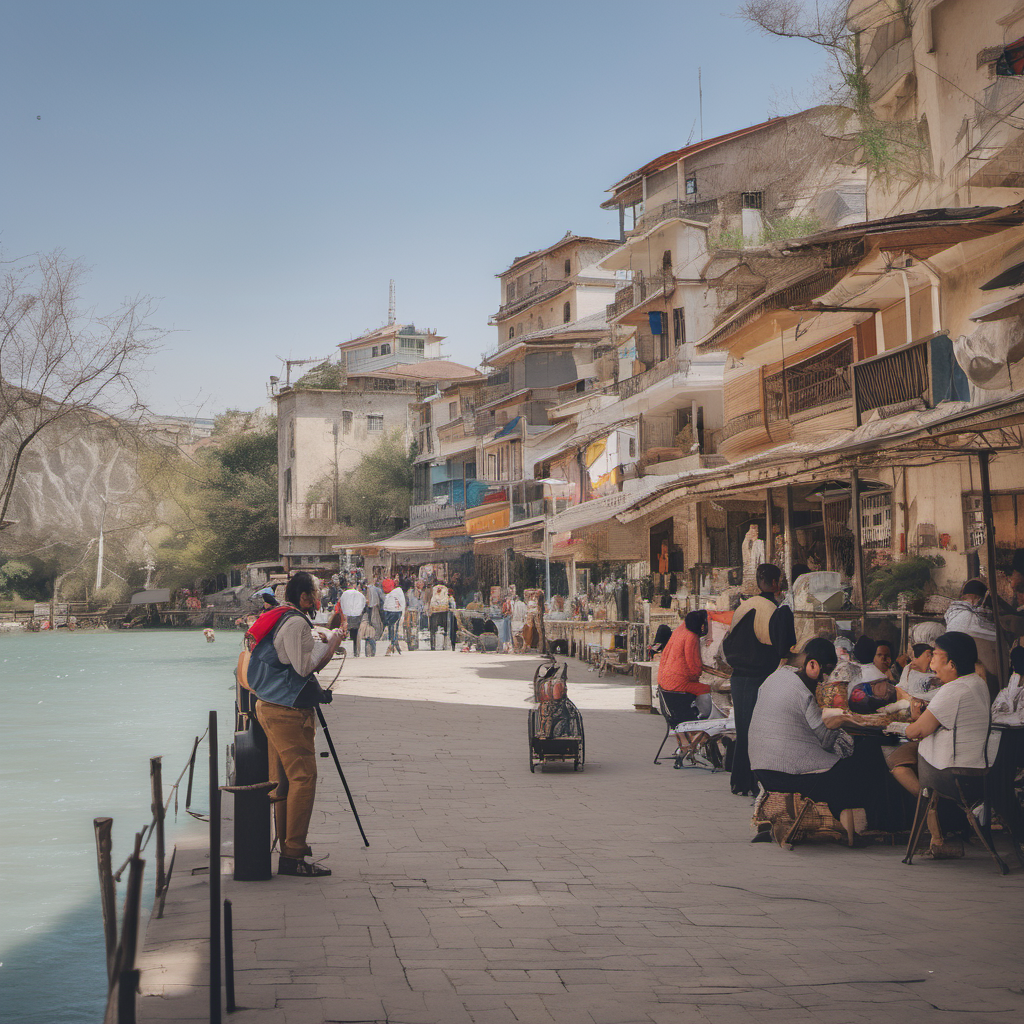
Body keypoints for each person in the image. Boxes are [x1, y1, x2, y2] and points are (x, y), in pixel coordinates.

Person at [246, 572, 344, 876]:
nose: (318, 597)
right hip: (286, 710)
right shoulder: (297, 622)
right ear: (304, 597)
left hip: (270, 704)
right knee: (303, 778)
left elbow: (291, 653)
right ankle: (293, 854)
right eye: (315, 593)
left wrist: (322, 636)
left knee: (283, 781)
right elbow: (303, 668)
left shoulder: (281, 614)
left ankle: (288, 847)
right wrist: (333, 643)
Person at [749, 638, 867, 847]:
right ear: (812, 664)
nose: (824, 679)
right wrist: (838, 721)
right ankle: (859, 828)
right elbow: (825, 740)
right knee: (857, 765)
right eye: (825, 671)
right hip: (789, 775)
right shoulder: (803, 692)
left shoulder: (774, 678)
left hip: (761, 771)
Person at [900, 630, 1000, 858]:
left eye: (935, 656)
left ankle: (934, 826)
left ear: (952, 664)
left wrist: (907, 723)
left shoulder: (953, 689)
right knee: (901, 756)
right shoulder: (977, 682)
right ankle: (938, 832)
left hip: (952, 772)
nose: (932, 664)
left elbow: (916, 730)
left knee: (896, 757)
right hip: (977, 766)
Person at [722, 563, 797, 797]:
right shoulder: (775, 610)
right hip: (759, 677)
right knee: (757, 731)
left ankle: (740, 781)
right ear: (775, 583)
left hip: (738, 678)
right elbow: (784, 648)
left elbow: (727, 643)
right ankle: (756, 783)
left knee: (744, 728)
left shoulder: (744, 607)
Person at [657, 611, 712, 759]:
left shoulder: (679, 630)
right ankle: (703, 721)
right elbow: (693, 663)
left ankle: (688, 738)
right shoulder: (691, 636)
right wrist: (697, 674)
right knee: (706, 689)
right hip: (678, 683)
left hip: (664, 681)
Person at [847, 638, 897, 713]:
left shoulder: (889, 678)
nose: (883, 658)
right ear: (874, 656)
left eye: (887, 656)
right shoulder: (879, 678)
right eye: (879, 655)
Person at [339, 581, 366, 657]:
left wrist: (344, 612)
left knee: (348, 632)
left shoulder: (344, 594)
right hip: (357, 615)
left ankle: (349, 651)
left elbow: (341, 603)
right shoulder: (360, 594)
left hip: (348, 615)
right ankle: (356, 651)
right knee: (356, 633)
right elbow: (363, 603)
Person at [383, 579, 406, 655]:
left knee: (393, 629)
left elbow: (402, 603)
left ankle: (392, 645)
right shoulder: (393, 593)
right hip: (394, 611)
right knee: (393, 629)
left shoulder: (396, 592)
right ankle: (393, 644)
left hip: (394, 612)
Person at [428, 582, 450, 650]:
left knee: (445, 629)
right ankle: (433, 645)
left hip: (443, 612)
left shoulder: (445, 592)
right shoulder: (434, 592)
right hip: (435, 612)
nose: (439, 589)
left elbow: (445, 601)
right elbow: (432, 602)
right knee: (433, 629)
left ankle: (445, 645)